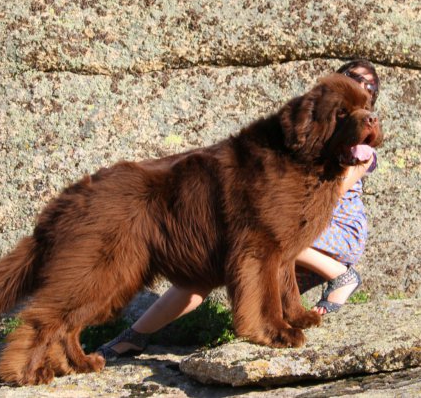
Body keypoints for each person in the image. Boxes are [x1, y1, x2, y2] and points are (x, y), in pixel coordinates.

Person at [97, 59, 380, 359]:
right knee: (206, 271)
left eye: (370, 87)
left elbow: (326, 197)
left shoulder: (361, 152)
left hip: (336, 234)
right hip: (304, 231)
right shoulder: (314, 132)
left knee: (261, 240)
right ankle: (136, 335)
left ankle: (334, 279)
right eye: (352, 78)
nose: (361, 87)